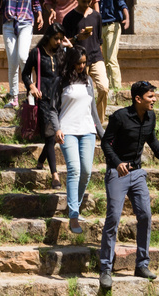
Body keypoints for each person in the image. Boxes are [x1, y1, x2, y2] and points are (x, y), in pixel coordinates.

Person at [98, 80, 159, 290]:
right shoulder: (120, 117)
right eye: (150, 97)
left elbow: (153, 142)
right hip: (117, 172)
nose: (154, 100)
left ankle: (142, 264)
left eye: (154, 96)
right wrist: (117, 163)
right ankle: (105, 269)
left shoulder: (150, 117)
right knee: (113, 218)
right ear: (138, 99)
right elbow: (105, 142)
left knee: (145, 216)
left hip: (137, 173)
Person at [55, 46, 104, 234]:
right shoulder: (61, 81)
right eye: (79, 63)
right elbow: (53, 108)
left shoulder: (89, 81)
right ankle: (74, 214)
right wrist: (57, 128)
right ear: (71, 62)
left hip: (87, 131)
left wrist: (102, 133)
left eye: (84, 63)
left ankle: (74, 204)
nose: (82, 66)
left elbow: (93, 111)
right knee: (74, 170)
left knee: (86, 171)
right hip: (67, 130)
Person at [20, 23, 69, 178]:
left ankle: (41, 160)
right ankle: (54, 174)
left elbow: (73, 68)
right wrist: (32, 87)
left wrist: (71, 47)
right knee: (50, 135)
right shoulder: (37, 53)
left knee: (54, 136)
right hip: (44, 100)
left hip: (60, 99)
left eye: (61, 39)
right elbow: (26, 74)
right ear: (48, 37)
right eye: (56, 39)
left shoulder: (62, 53)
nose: (59, 42)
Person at [61, 0, 111, 123]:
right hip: (77, 60)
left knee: (104, 88)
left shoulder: (96, 16)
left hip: (96, 57)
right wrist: (78, 37)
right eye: (84, 1)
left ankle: (98, 124)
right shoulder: (69, 18)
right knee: (80, 93)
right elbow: (64, 42)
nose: (87, 4)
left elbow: (99, 40)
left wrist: (101, 58)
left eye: (89, 1)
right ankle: (82, 121)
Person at [97, 0, 130, 93]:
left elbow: (123, 5)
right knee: (105, 59)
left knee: (111, 58)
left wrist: (127, 18)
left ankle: (117, 88)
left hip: (112, 26)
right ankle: (109, 86)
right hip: (103, 27)